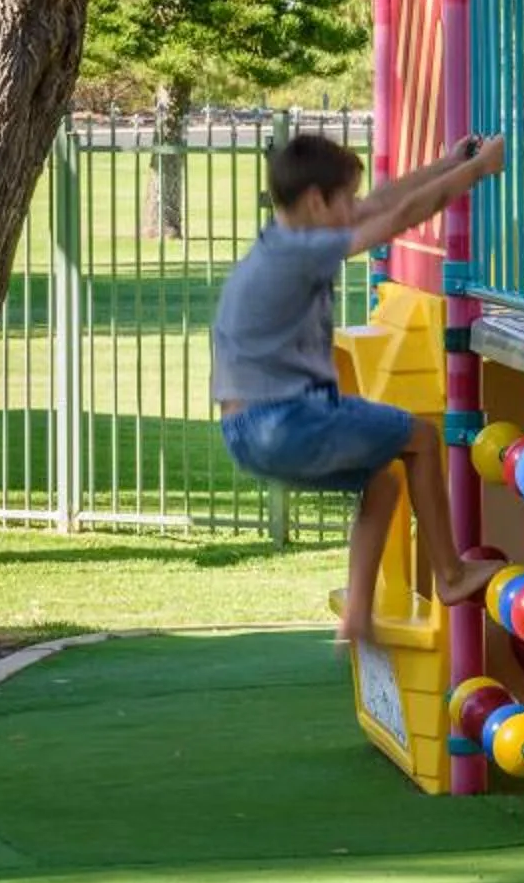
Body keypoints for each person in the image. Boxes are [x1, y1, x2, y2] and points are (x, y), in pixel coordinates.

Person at [213, 131, 508, 645]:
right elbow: (395, 220)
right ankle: (452, 576)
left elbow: (380, 203)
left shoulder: (281, 239)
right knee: (420, 439)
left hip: (243, 431)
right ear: (314, 201)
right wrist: (478, 171)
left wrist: (446, 162)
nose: (355, 207)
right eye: (344, 198)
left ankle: (357, 615)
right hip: (282, 420)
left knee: (384, 483)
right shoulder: (302, 253)